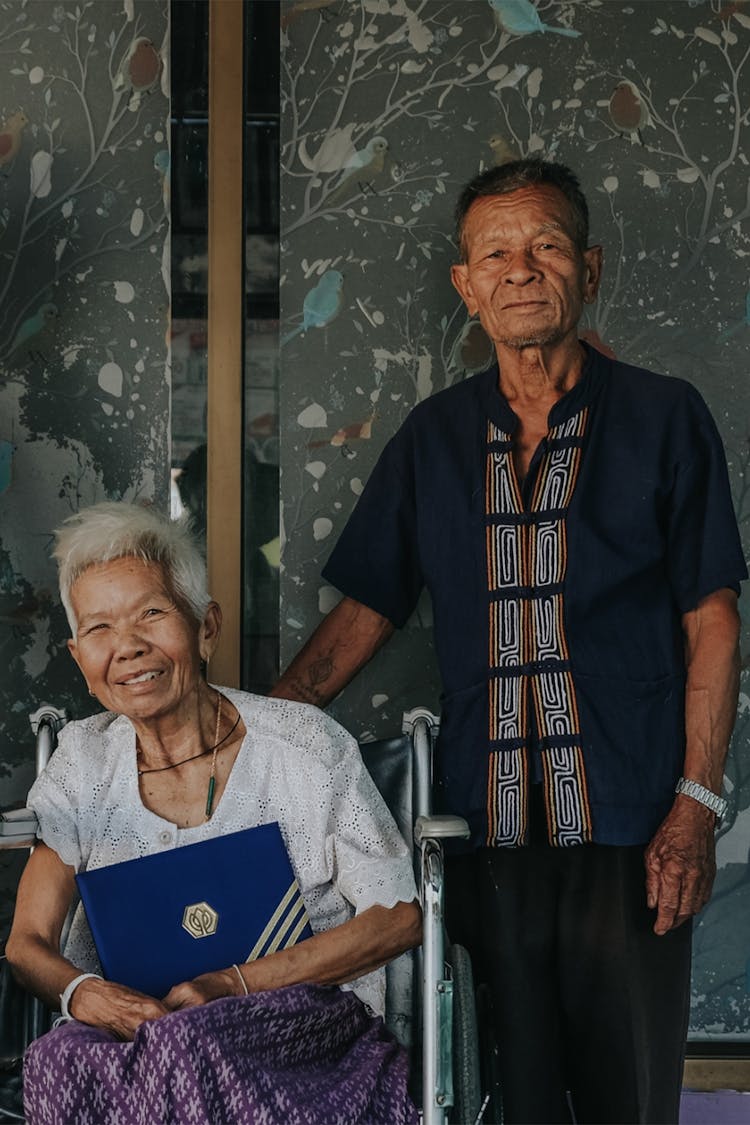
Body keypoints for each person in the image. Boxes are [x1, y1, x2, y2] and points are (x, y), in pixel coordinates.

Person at [271, 159, 747, 1124]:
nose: (521, 269)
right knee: (499, 1091)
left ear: (591, 268)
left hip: (632, 822)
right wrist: (249, 741)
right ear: (466, 284)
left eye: (547, 246)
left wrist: (696, 803)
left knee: (632, 1094)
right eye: (496, 253)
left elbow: (713, 619)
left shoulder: (665, 418)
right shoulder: (434, 438)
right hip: (480, 828)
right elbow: (364, 614)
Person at [6, 502, 421, 1125]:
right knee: (58, 1058)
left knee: (187, 1045)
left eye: (152, 613)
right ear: (77, 657)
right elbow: (28, 941)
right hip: (134, 1033)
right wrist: (86, 994)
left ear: (206, 627)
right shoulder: (80, 764)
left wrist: (231, 985)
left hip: (303, 1029)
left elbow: (398, 920)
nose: (128, 648)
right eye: (99, 629)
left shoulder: (304, 745)